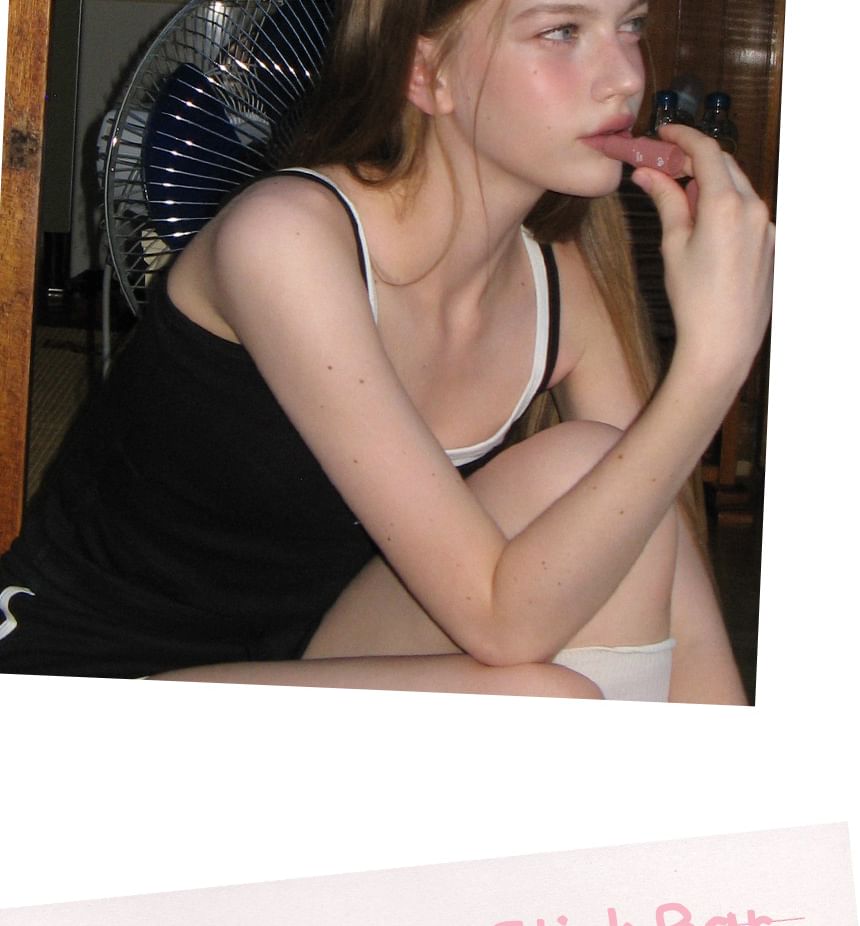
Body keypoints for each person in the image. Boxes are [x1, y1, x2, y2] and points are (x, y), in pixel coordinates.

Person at [0, 0, 773, 702]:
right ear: (425, 73)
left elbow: (680, 605)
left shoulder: (562, 284)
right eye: (562, 31)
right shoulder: (286, 239)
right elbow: (502, 621)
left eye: (630, 25)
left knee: (598, 477)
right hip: (89, 685)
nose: (627, 78)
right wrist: (713, 363)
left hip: (312, 656)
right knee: (548, 699)